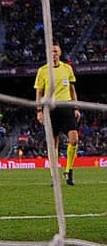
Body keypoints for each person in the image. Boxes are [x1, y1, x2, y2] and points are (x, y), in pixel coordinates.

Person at [34, 43, 80, 185]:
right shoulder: (42, 71)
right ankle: (54, 176)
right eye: (51, 51)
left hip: (67, 107)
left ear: (59, 52)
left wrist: (76, 107)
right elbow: (39, 92)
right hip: (50, 108)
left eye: (55, 51)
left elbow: (72, 90)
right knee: (53, 143)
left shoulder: (67, 68)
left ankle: (68, 171)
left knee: (74, 140)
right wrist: (39, 111)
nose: (53, 53)